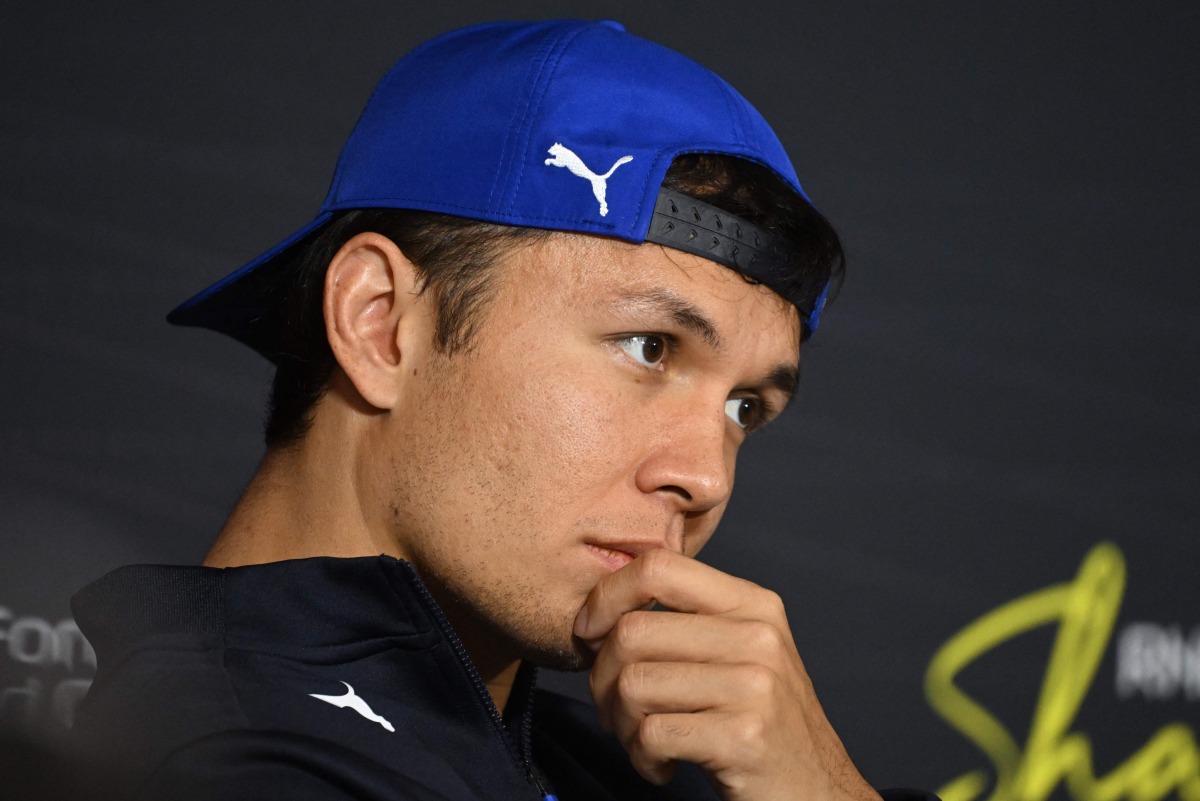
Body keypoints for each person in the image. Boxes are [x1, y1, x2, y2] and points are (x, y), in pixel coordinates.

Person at [68, 19, 934, 801]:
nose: (705, 476)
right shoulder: (224, 762)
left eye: (746, 406)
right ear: (380, 325)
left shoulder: (639, 766)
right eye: (649, 348)